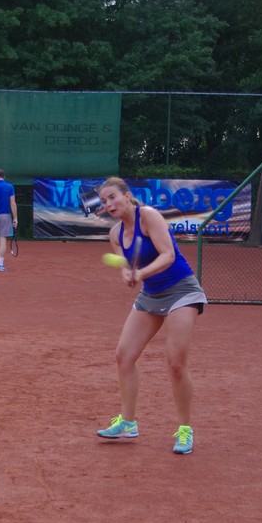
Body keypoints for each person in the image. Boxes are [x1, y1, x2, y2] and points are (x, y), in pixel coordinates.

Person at [95, 177, 207, 454]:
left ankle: (185, 429)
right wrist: (126, 274)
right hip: (151, 295)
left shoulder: (149, 216)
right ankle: (128, 423)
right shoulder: (115, 234)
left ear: (127, 195)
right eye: (104, 201)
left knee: (176, 363)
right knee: (124, 356)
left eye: (112, 197)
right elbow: (125, 264)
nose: (109, 204)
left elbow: (168, 255)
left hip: (182, 290)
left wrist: (141, 273)